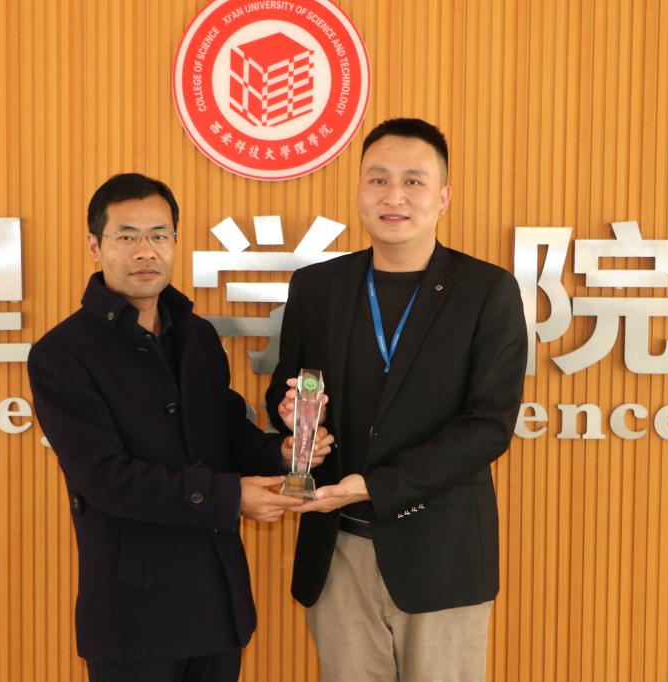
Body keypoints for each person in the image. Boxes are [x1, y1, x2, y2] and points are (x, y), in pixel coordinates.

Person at [28, 172, 331, 682]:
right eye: (127, 236)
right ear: (95, 245)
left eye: (159, 234)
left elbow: (225, 429)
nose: (145, 251)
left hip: (217, 603)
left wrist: (281, 453)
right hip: (133, 616)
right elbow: (105, 478)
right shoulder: (63, 354)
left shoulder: (196, 335)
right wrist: (231, 497)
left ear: (175, 241)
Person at [266, 119, 527, 681]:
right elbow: (288, 389)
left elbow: (488, 426)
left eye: (413, 181)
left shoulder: (487, 291)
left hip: (442, 556)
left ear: (443, 197)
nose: (394, 196)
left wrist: (375, 486)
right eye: (378, 179)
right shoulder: (318, 288)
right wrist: (292, 423)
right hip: (337, 550)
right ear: (359, 189)